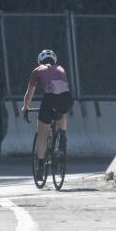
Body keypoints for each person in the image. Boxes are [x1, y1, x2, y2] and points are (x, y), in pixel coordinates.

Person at [21, 49, 72, 178]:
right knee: (61, 113)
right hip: (66, 98)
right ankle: (62, 140)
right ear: (54, 61)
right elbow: (61, 89)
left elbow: (30, 92)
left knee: (42, 134)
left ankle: (40, 166)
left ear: (40, 62)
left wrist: (25, 107)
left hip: (49, 100)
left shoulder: (37, 71)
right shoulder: (61, 69)